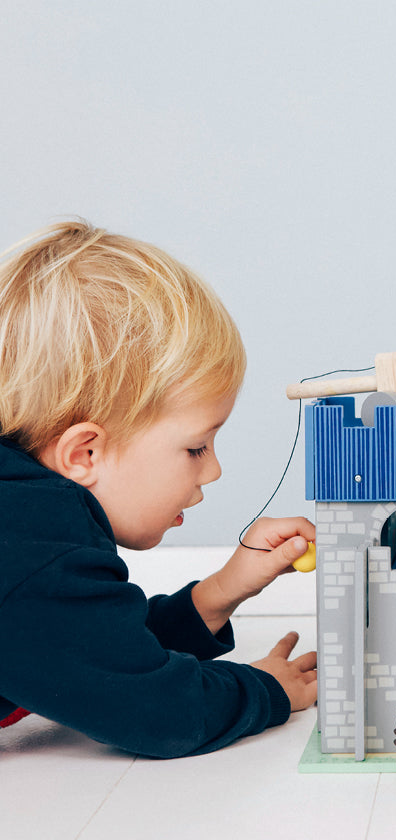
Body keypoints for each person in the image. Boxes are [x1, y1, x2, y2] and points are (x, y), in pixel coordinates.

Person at [0, 220, 317, 757]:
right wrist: (268, 690)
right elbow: (154, 710)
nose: (213, 471)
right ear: (84, 454)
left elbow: (93, 649)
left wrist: (218, 593)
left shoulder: (24, 527)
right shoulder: (33, 549)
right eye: (196, 448)